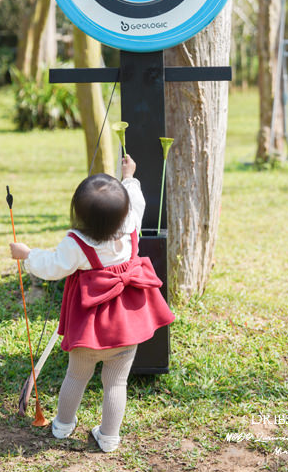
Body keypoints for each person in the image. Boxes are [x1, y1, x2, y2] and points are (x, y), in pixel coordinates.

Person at [9, 155, 175, 452]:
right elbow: (136, 201)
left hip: (90, 332)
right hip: (127, 328)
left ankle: (62, 425)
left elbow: (52, 266)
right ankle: (109, 437)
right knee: (115, 384)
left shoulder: (77, 243)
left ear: (79, 216)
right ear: (122, 211)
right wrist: (129, 177)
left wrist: (27, 254)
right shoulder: (131, 223)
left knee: (76, 375)